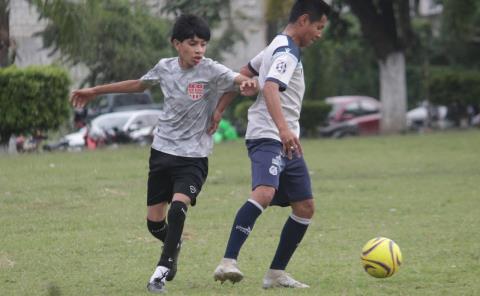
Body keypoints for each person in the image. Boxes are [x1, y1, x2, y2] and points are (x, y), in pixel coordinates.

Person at [70, 14, 256, 294]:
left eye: (204, 44)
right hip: (161, 153)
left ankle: (160, 272)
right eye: (193, 44)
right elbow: (138, 84)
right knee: (155, 224)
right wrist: (95, 91)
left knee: (178, 209)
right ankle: (174, 243)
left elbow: (236, 80)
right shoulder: (164, 68)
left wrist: (244, 86)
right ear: (176, 44)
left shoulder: (210, 69)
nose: (199, 50)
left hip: (193, 157)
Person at [213, 0, 331, 289]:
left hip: (285, 139)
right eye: (318, 27)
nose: (319, 34)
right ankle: (228, 261)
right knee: (264, 192)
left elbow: (244, 71)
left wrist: (220, 110)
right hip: (269, 135)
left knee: (304, 206)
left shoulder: (277, 45)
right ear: (304, 20)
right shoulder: (287, 50)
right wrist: (283, 130)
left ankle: (276, 273)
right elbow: (268, 87)